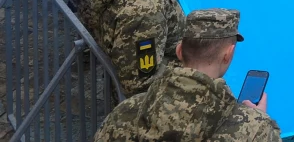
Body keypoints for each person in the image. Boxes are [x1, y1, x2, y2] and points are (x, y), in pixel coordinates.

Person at [95, 8, 281, 142]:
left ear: (179, 51)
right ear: (228, 54)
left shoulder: (125, 112)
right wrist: (258, 119)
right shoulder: (256, 130)